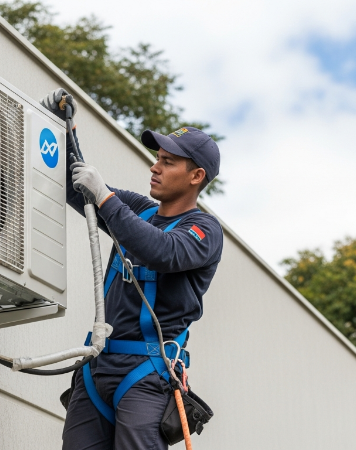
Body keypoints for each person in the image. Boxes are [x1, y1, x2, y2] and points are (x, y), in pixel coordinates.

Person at [40, 89, 223, 450]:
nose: (155, 167)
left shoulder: (204, 231)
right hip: (97, 366)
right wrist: (64, 127)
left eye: (168, 162)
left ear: (196, 176)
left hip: (147, 373)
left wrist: (105, 197)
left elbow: (161, 251)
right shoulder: (138, 210)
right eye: (157, 158)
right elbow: (75, 186)